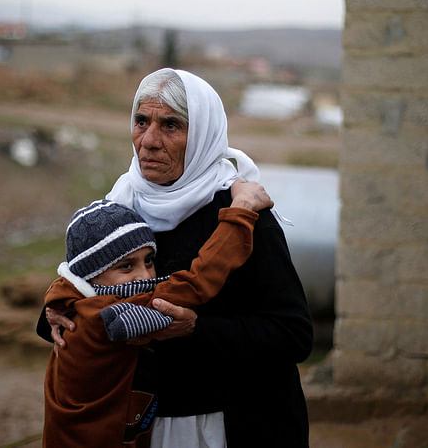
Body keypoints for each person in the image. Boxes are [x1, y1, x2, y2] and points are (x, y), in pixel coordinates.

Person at [38, 68, 313, 447]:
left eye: (170, 125)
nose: (148, 141)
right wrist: (54, 312)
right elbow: (84, 282)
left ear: (202, 135)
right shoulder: (121, 206)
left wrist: (197, 330)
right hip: (144, 426)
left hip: (233, 423)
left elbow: (294, 336)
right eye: (141, 121)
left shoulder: (243, 215)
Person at [43, 181, 271, 448]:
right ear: (90, 277)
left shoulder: (76, 301)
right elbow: (197, 283)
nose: (145, 275)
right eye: (126, 266)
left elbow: (68, 279)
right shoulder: (112, 318)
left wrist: (55, 298)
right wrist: (241, 210)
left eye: (149, 260)